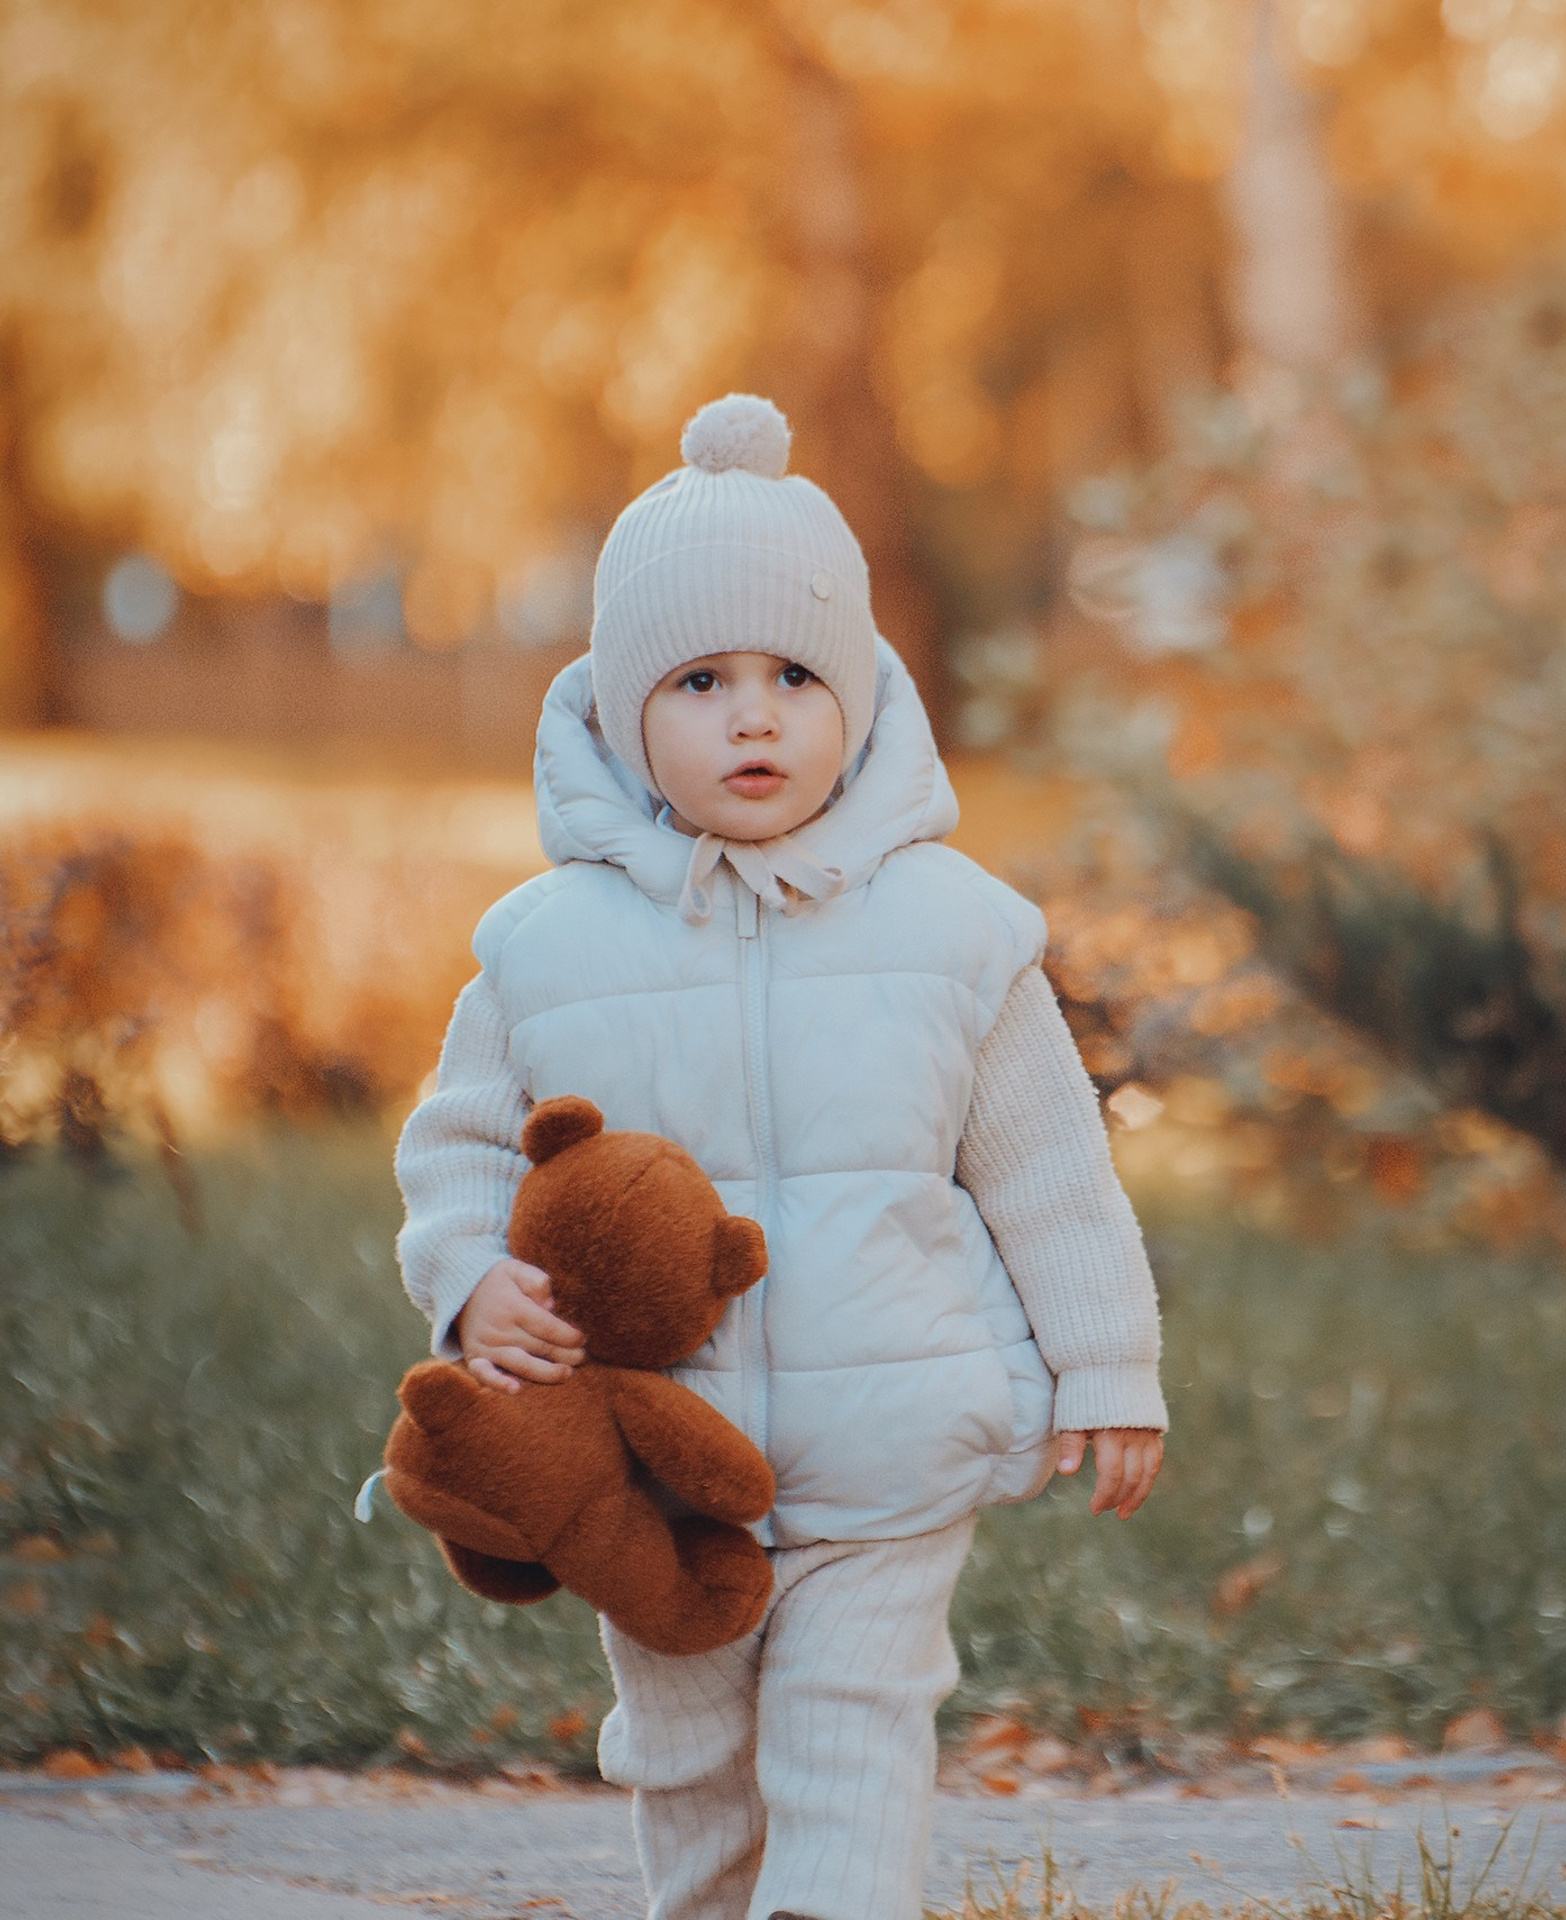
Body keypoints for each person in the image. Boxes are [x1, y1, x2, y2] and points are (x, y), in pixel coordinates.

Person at [392, 392, 1167, 1920]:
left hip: (891, 1447)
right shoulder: (546, 950)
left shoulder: (956, 934)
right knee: (689, 1761)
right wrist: (470, 1281)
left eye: (795, 677)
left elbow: (1053, 1178)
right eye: (700, 679)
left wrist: (1108, 1365)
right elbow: (464, 1144)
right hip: (650, 1459)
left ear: (863, 696)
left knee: (853, 1736)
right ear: (621, 711)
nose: (755, 716)